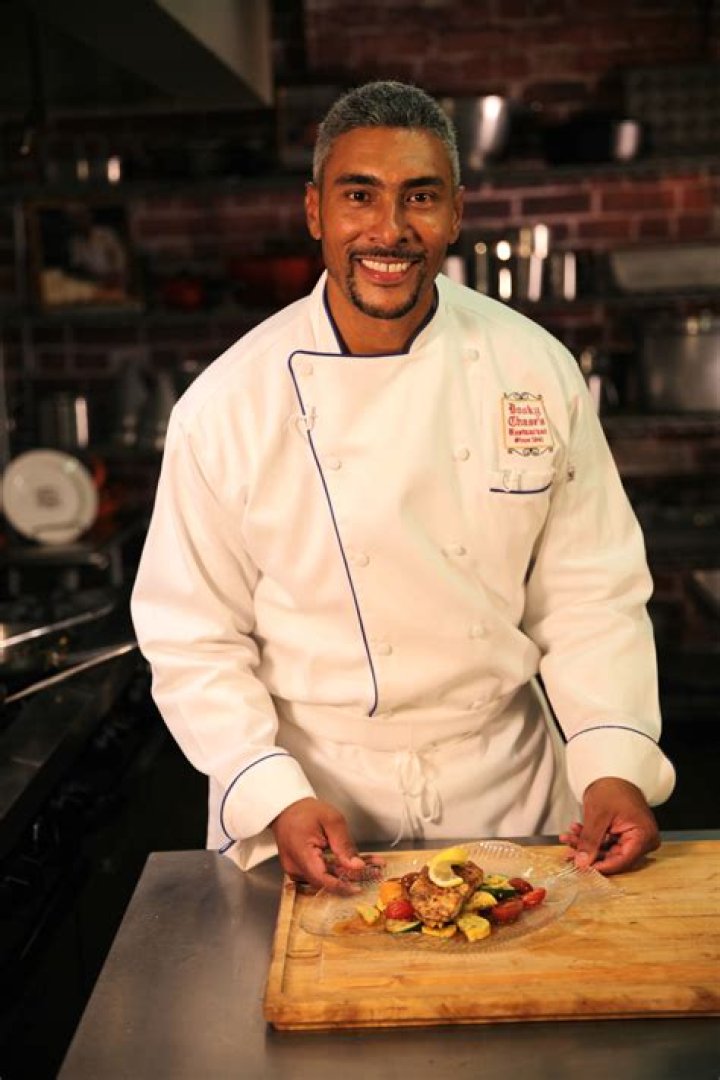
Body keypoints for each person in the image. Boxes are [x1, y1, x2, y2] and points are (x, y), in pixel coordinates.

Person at [131, 80, 675, 895]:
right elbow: (192, 635)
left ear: (456, 214)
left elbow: (590, 594)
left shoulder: (532, 368)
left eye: (419, 197)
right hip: (315, 797)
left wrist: (613, 762)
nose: (388, 230)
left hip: (512, 791)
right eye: (359, 196)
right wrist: (270, 791)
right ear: (314, 211)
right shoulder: (227, 405)